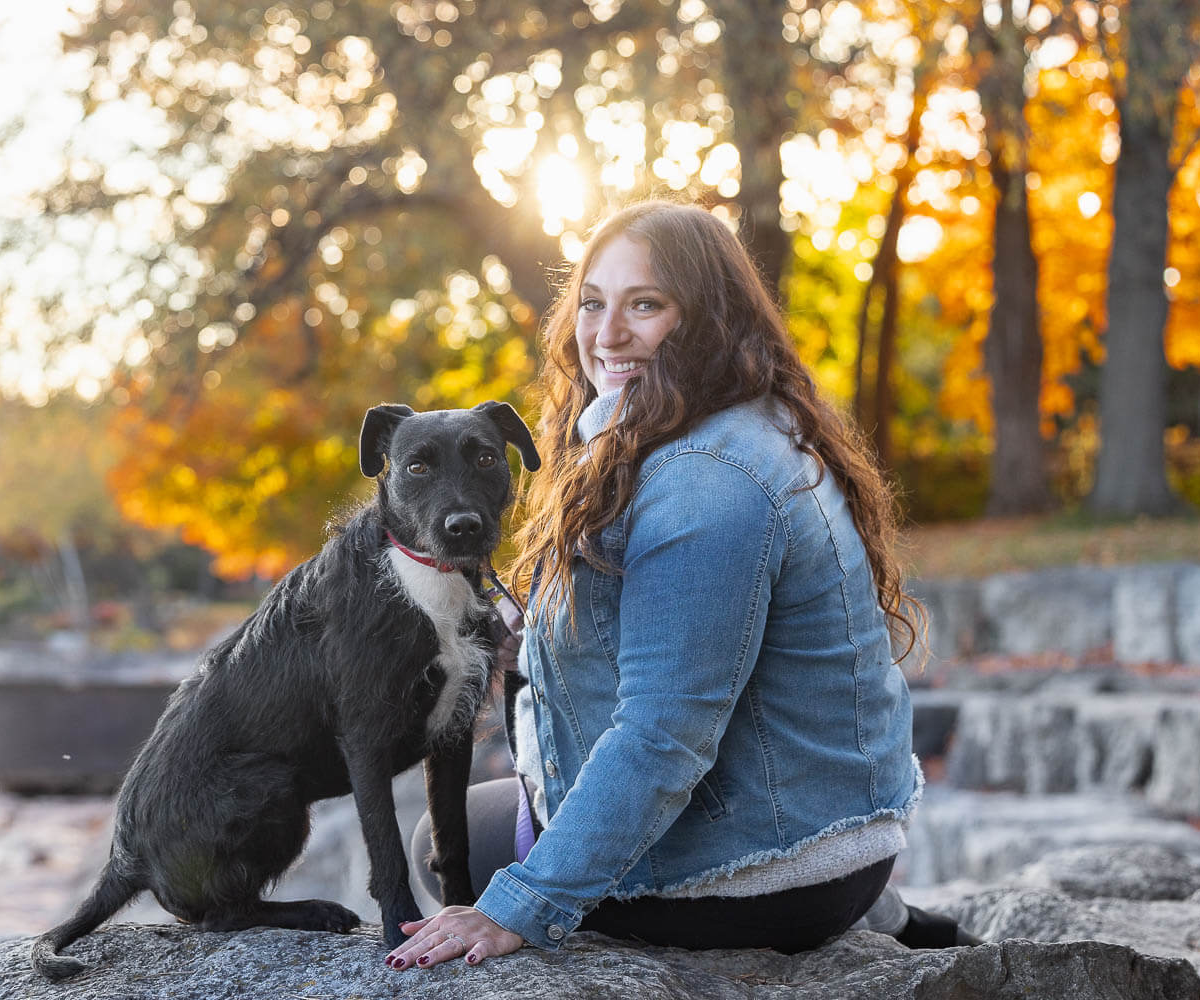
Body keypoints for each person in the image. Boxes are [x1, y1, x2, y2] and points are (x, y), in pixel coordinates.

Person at [385, 200, 968, 972]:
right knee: (469, 825)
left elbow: (664, 734)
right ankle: (872, 909)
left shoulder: (705, 482)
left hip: (767, 873)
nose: (607, 333)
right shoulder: (725, 426)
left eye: (646, 305)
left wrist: (519, 908)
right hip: (823, 830)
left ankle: (839, 908)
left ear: (708, 318)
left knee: (444, 846)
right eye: (593, 304)